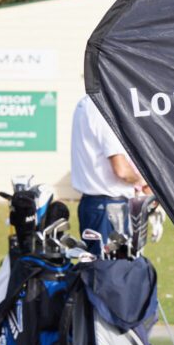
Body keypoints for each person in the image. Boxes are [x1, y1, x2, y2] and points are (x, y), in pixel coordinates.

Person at [70, 95, 148, 256]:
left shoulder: (84, 104)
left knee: (99, 265)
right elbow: (121, 170)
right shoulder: (102, 108)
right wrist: (144, 181)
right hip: (110, 207)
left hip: (92, 204)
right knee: (114, 267)